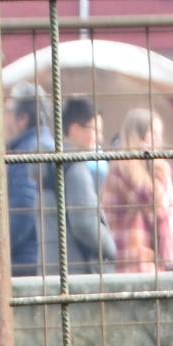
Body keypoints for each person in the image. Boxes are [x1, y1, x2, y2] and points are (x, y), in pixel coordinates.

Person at [101, 107, 173, 273]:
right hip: (132, 256)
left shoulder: (139, 167)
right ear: (139, 136)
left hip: (141, 255)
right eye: (154, 134)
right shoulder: (126, 166)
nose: (159, 141)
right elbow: (153, 199)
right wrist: (160, 167)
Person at [56, 98, 115, 274]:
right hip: (79, 267)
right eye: (95, 130)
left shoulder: (56, 163)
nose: (100, 137)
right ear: (74, 130)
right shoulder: (75, 167)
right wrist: (112, 248)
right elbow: (84, 223)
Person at [5, 87, 52, 276]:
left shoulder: (29, 152)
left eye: (8, 112)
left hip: (25, 261)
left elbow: (23, 210)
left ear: (22, 119)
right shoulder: (42, 144)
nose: (3, 118)